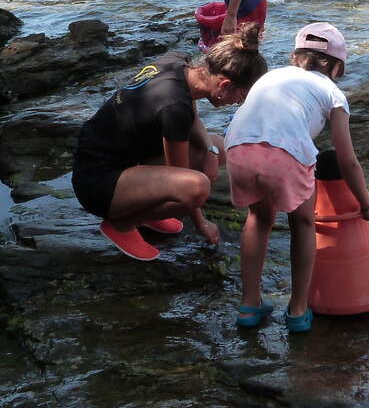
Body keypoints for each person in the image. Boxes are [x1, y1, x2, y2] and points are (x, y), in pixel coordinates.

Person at [224, 22, 369, 332]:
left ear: (295, 56)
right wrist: (366, 203)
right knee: (303, 223)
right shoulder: (332, 93)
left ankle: (249, 305)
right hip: (286, 154)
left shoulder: (271, 76)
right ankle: (297, 310)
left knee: (258, 219)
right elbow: (346, 160)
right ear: (338, 67)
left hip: (238, 146)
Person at [72, 24, 267, 261]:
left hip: (120, 162)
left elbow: (190, 111)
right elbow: (181, 177)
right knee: (197, 187)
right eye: (241, 96)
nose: (238, 103)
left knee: (219, 147)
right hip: (98, 183)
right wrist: (201, 223)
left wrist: (209, 150)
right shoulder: (173, 107)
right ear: (225, 85)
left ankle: (145, 210)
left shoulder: (178, 63)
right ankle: (121, 225)